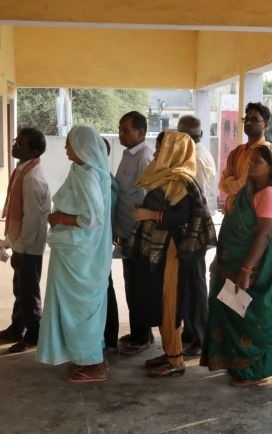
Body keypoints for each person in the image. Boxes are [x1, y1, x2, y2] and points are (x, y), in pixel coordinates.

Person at [202, 145, 272, 386]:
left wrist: (246, 270)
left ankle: (254, 371)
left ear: (271, 168)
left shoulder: (269, 194)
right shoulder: (250, 189)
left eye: (257, 162)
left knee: (249, 318)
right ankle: (239, 366)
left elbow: (264, 234)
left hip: (250, 268)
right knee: (234, 313)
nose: (251, 164)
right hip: (232, 265)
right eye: (251, 160)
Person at [128, 131, 216, 377]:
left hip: (173, 251)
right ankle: (169, 352)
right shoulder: (166, 176)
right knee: (163, 300)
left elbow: (183, 215)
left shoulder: (181, 180)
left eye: (160, 149)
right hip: (162, 249)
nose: (156, 153)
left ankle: (175, 360)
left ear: (173, 152)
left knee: (171, 302)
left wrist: (150, 214)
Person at [36, 125, 112, 383]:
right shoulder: (86, 171)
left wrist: (60, 218)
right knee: (80, 308)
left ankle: (92, 363)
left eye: (69, 143)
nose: (66, 148)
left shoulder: (88, 175)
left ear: (82, 146)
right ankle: (89, 357)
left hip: (79, 254)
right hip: (77, 251)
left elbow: (93, 219)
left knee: (78, 309)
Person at [0, 128, 51, 353]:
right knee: (20, 287)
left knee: (28, 291)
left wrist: (22, 249)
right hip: (21, 241)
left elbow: (32, 219)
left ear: (34, 151)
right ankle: (17, 327)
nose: (15, 146)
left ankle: (33, 335)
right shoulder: (23, 169)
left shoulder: (32, 178)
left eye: (21, 144)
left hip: (29, 245)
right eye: (16, 141)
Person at [114, 111, 155, 354]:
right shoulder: (128, 154)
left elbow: (145, 198)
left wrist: (136, 232)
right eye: (120, 129)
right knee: (131, 284)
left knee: (139, 286)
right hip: (126, 230)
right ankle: (140, 332)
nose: (121, 134)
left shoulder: (144, 156)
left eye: (126, 130)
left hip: (138, 233)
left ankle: (142, 336)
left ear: (141, 132)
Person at [177, 115, 216, 357]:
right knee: (189, 285)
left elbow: (197, 200)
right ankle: (191, 332)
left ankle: (200, 337)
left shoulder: (197, 158)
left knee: (196, 284)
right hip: (190, 227)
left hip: (195, 228)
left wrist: (190, 233)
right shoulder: (193, 153)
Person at [218, 102, 271, 213]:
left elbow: (244, 188)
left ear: (266, 125)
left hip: (250, 215)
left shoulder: (266, 153)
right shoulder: (237, 152)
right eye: (246, 119)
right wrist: (233, 184)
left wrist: (230, 181)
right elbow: (222, 184)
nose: (248, 122)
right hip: (231, 213)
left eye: (254, 120)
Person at [102, 137, 120, 351]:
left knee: (105, 286)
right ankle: (108, 335)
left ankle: (109, 335)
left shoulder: (103, 178)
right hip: (101, 240)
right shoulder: (103, 176)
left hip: (100, 242)